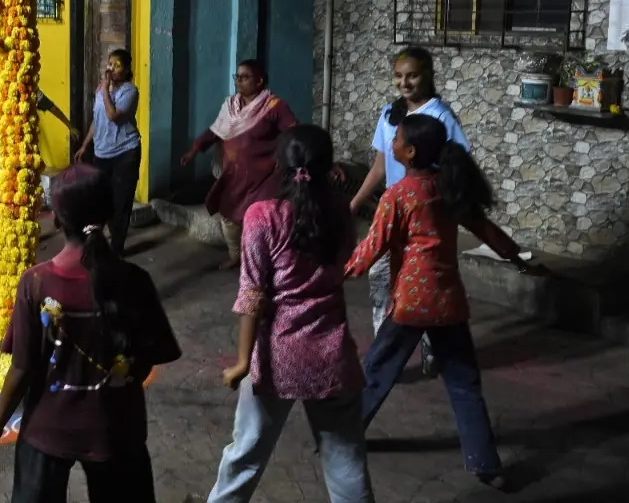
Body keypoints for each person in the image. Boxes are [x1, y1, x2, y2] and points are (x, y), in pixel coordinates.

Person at [346, 115, 540, 491]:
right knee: (464, 384)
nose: (392, 144)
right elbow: (488, 230)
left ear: (411, 152)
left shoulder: (399, 194)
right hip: (448, 301)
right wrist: (517, 258)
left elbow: (371, 248)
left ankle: (342, 438)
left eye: (397, 139)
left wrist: (336, 271)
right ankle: (487, 465)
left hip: (411, 303)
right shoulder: (447, 188)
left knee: (375, 371)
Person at [0, 163, 182, 501]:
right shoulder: (135, 280)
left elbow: (23, 369)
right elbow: (149, 357)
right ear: (109, 212)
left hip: (49, 428)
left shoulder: (36, 283)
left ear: (56, 219)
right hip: (117, 431)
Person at [205, 125, 371, 502]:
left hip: (275, 359)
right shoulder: (340, 214)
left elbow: (252, 294)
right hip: (332, 357)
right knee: (346, 463)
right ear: (330, 167)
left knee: (245, 456)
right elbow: (343, 262)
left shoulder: (262, 216)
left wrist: (242, 362)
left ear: (278, 164)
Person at [347, 46, 468, 377]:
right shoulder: (390, 114)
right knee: (382, 278)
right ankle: (383, 356)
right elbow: (380, 165)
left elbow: (457, 164)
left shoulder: (440, 116)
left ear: (428, 75)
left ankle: (433, 354)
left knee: (423, 286)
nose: (405, 82)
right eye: (399, 76)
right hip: (393, 211)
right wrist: (356, 202)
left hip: (427, 217)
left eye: (412, 75)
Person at [179, 60, 297, 269]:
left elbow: (295, 133)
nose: (239, 81)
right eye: (237, 77)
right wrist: (194, 150)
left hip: (264, 176)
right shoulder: (230, 106)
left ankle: (263, 261)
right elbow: (215, 131)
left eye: (245, 77)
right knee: (229, 216)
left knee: (259, 218)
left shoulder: (274, 106)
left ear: (259, 81)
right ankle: (236, 255)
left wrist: (309, 159)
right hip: (234, 174)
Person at [0, 79, 76, 231]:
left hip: (22, 143)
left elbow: (50, 106)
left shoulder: (28, 87)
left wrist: (69, 126)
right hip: (1, 140)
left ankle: (24, 221)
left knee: (22, 184)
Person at [73, 49, 141, 257]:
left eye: (117, 65)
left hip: (125, 153)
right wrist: (85, 145)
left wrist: (105, 89)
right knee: (100, 199)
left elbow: (113, 116)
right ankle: (100, 242)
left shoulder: (130, 91)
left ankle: (117, 250)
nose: (111, 68)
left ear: (127, 69)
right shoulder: (101, 89)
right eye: (110, 63)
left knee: (121, 202)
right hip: (102, 153)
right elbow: (98, 118)